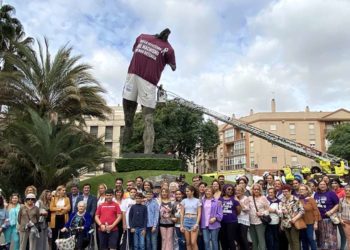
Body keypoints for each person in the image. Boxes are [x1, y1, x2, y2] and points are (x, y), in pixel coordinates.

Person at [121, 28, 176, 154]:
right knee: (128, 118)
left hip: (148, 82)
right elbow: (173, 67)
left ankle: (147, 153)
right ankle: (124, 150)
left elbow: (173, 67)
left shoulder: (168, 49)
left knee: (148, 120)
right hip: (133, 76)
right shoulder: (142, 37)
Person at [314, 180, 339, 249]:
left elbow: (337, 204)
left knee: (330, 237)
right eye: (321, 184)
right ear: (318, 186)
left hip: (329, 219)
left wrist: (331, 211)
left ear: (326, 185)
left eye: (324, 184)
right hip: (319, 219)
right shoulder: (316, 194)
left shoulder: (331, 193)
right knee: (321, 237)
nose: (322, 186)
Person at [280, 185, 304, 250]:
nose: (285, 193)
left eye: (286, 191)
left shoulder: (295, 199)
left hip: (294, 223)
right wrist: (281, 223)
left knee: (295, 241)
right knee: (289, 241)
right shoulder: (282, 200)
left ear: (290, 191)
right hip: (285, 223)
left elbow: (302, 211)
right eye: (283, 192)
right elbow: (281, 212)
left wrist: (295, 218)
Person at [298, 184, 320, 250]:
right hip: (301, 222)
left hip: (310, 222)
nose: (301, 191)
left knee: (310, 238)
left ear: (307, 191)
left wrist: (316, 223)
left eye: (303, 189)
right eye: (300, 189)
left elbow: (316, 211)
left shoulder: (311, 199)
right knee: (303, 239)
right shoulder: (298, 199)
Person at [219, 184, 240, 250]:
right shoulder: (220, 199)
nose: (230, 191)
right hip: (222, 222)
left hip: (232, 222)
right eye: (229, 189)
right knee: (223, 239)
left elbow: (238, 211)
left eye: (232, 189)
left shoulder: (234, 199)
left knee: (231, 239)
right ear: (224, 190)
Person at [248, 183, 269, 250]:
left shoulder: (263, 198)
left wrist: (262, 213)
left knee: (261, 239)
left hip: (260, 222)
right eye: (255, 189)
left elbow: (268, 209)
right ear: (252, 190)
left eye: (258, 189)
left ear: (260, 190)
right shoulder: (249, 198)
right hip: (251, 222)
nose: (256, 191)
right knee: (254, 240)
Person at [180, 185, 202, 250]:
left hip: (194, 221)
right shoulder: (184, 201)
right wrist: (181, 225)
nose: (186, 192)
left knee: (193, 242)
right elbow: (182, 213)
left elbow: (199, 213)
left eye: (188, 191)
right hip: (186, 221)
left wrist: (196, 224)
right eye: (186, 191)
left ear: (192, 192)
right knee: (188, 243)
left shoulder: (197, 201)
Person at [49, 185, 71, 250]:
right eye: (63, 190)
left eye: (65, 190)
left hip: (64, 218)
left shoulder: (67, 199)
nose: (64, 191)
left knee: (62, 235)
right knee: (54, 236)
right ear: (59, 191)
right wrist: (61, 208)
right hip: (55, 219)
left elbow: (68, 208)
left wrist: (59, 211)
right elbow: (51, 208)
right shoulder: (53, 198)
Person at [331, 178, 347, 250]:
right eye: (332, 183)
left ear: (338, 184)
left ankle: (342, 248)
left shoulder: (343, 192)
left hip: (341, 215)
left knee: (342, 234)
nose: (334, 184)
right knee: (332, 233)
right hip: (332, 215)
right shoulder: (331, 192)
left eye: (335, 183)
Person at [235, 186, 250, 250]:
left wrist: (238, 201)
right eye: (236, 190)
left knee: (243, 237)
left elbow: (246, 209)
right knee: (237, 237)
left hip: (244, 219)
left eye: (239, 190)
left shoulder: (246, 198)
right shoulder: (234, 198)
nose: (237, 192)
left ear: (242, 191)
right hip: (236, 220)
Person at [339, 185, 350, 250]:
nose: (348, 192)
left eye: (349, 191)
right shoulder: (341, 200)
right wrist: (340, 219)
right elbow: (339, 211)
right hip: (345, 222)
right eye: (346, 190)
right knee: (349, 237)